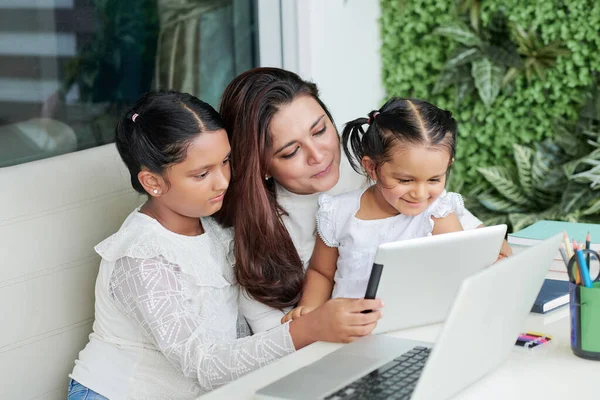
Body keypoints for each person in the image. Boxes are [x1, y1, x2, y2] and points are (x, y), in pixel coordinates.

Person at [68, 91, 382, 400]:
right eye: (202, 173)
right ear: (153, 182)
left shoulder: (214, 226)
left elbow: (247, 328)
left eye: (225, 161)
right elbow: (204, 364)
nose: (222, 181)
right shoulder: (142, 257)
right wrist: (307, 330)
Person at [216, 67, 510, 333]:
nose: (319, 156)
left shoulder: (384, 173)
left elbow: (470, 238)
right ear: (261, 165)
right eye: (291, 151)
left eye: (320, 130)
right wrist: (312, 317)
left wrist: (493, 248)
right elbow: (273, 341)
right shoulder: (258, 237)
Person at [282, 98, 476, 321]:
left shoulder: (437, 213)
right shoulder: (338, 213)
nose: (420, 194)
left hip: (414, 326)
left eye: (434, 179)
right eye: (405, 180)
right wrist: (309, 309)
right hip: (346, 332)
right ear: (372, 168)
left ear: (448, 165)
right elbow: (321, 273)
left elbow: (461, 270)